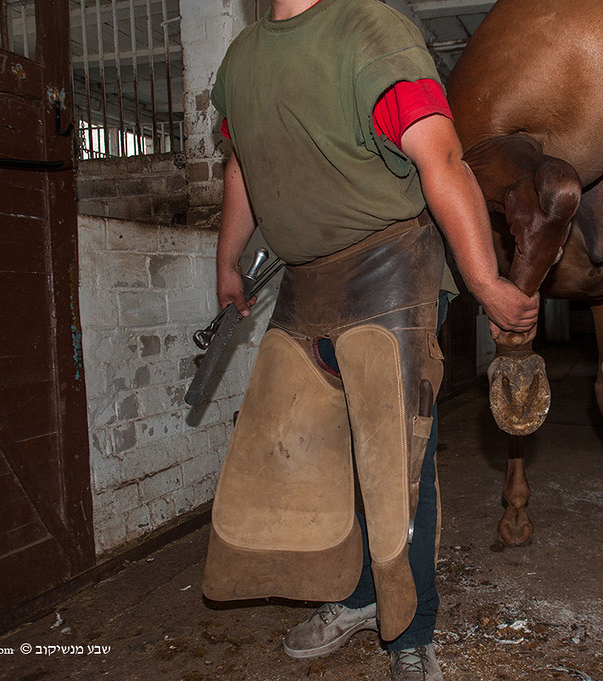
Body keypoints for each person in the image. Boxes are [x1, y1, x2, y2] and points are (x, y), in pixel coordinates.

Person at [200, 0, 538, 679]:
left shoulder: (370, 31)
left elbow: (441, 156)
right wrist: (227, 262)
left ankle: (410, 632)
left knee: (398, 465)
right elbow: (244, 168)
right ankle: (357, 595)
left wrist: (485, 281)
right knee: (323, 457)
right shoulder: (241, 61)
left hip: (389, 275)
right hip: (306, 286)